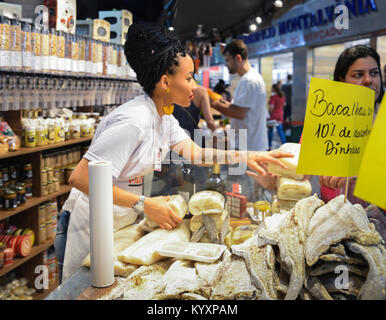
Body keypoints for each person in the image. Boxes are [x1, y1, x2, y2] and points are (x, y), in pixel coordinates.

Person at [55, 22, 293, 283]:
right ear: (166, 82)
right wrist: (145, 205)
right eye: (189, 78)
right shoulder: (133, 121)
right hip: (89, 227)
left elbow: (197, 154)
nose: (195, 86)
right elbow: (80, 178)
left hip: (117, 223)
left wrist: (246, 156)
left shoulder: (163, 117)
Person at [319, 45, 384, 204]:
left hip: (379, 220)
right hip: (332, 218)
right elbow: (301, 167)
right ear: (342, 80)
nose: (369, 80)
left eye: (374, 73)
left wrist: (358, 173)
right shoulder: (325, 118)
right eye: (358, 74)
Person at [210, 39, 269, 202]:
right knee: (248, 194)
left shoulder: (249, 81)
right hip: (249, 145)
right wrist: (222, 103)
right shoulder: (250, 78)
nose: (226, 65)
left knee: (244, 195)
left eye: (228, 60)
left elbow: (239, 112)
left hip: (248, 147)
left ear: (238, 58)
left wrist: (213, 104)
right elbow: (238, 107)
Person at [151, 83, 216, 196]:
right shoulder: (200, 91)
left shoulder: (169, 89)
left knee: (172, 182)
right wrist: (214, 142)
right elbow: (210, 121)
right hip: (193, 140)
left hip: (171, 142)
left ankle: (172, 209)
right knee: (196, 184)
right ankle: (194, 210)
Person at [268, 83, 287, 149]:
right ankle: (285, 144)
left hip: (273, 116)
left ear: (273, 89)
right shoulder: (282, 96)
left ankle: (269, 145)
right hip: (280, 115)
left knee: (270, 130)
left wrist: (269, 113)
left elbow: (271, 107)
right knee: (280, 131)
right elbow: (284, 105)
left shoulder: (273, 97)